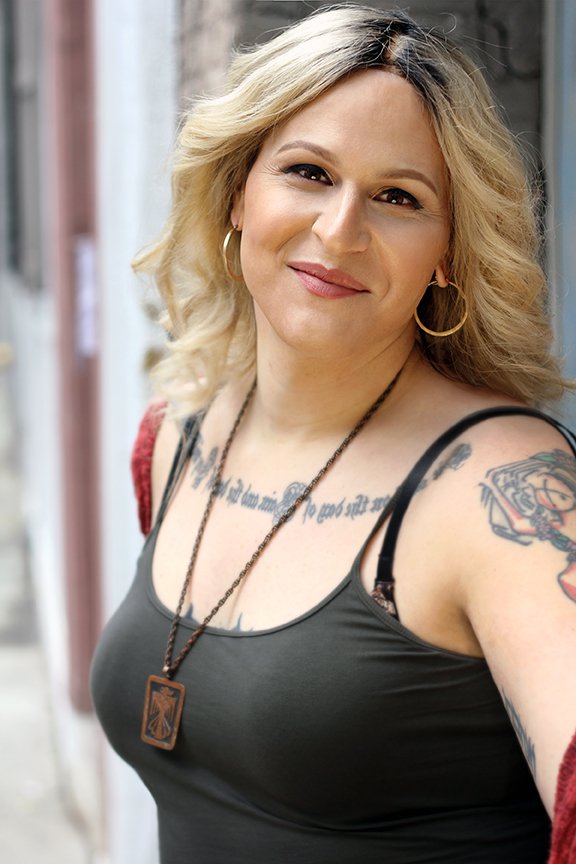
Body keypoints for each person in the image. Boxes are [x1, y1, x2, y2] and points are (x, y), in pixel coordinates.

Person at [90, 6, 576, 862]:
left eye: (398, 197)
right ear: (240, 189)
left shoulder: (494, 490)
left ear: (449, 254)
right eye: (309, 172)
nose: (339, 230)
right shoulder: (175, 431)